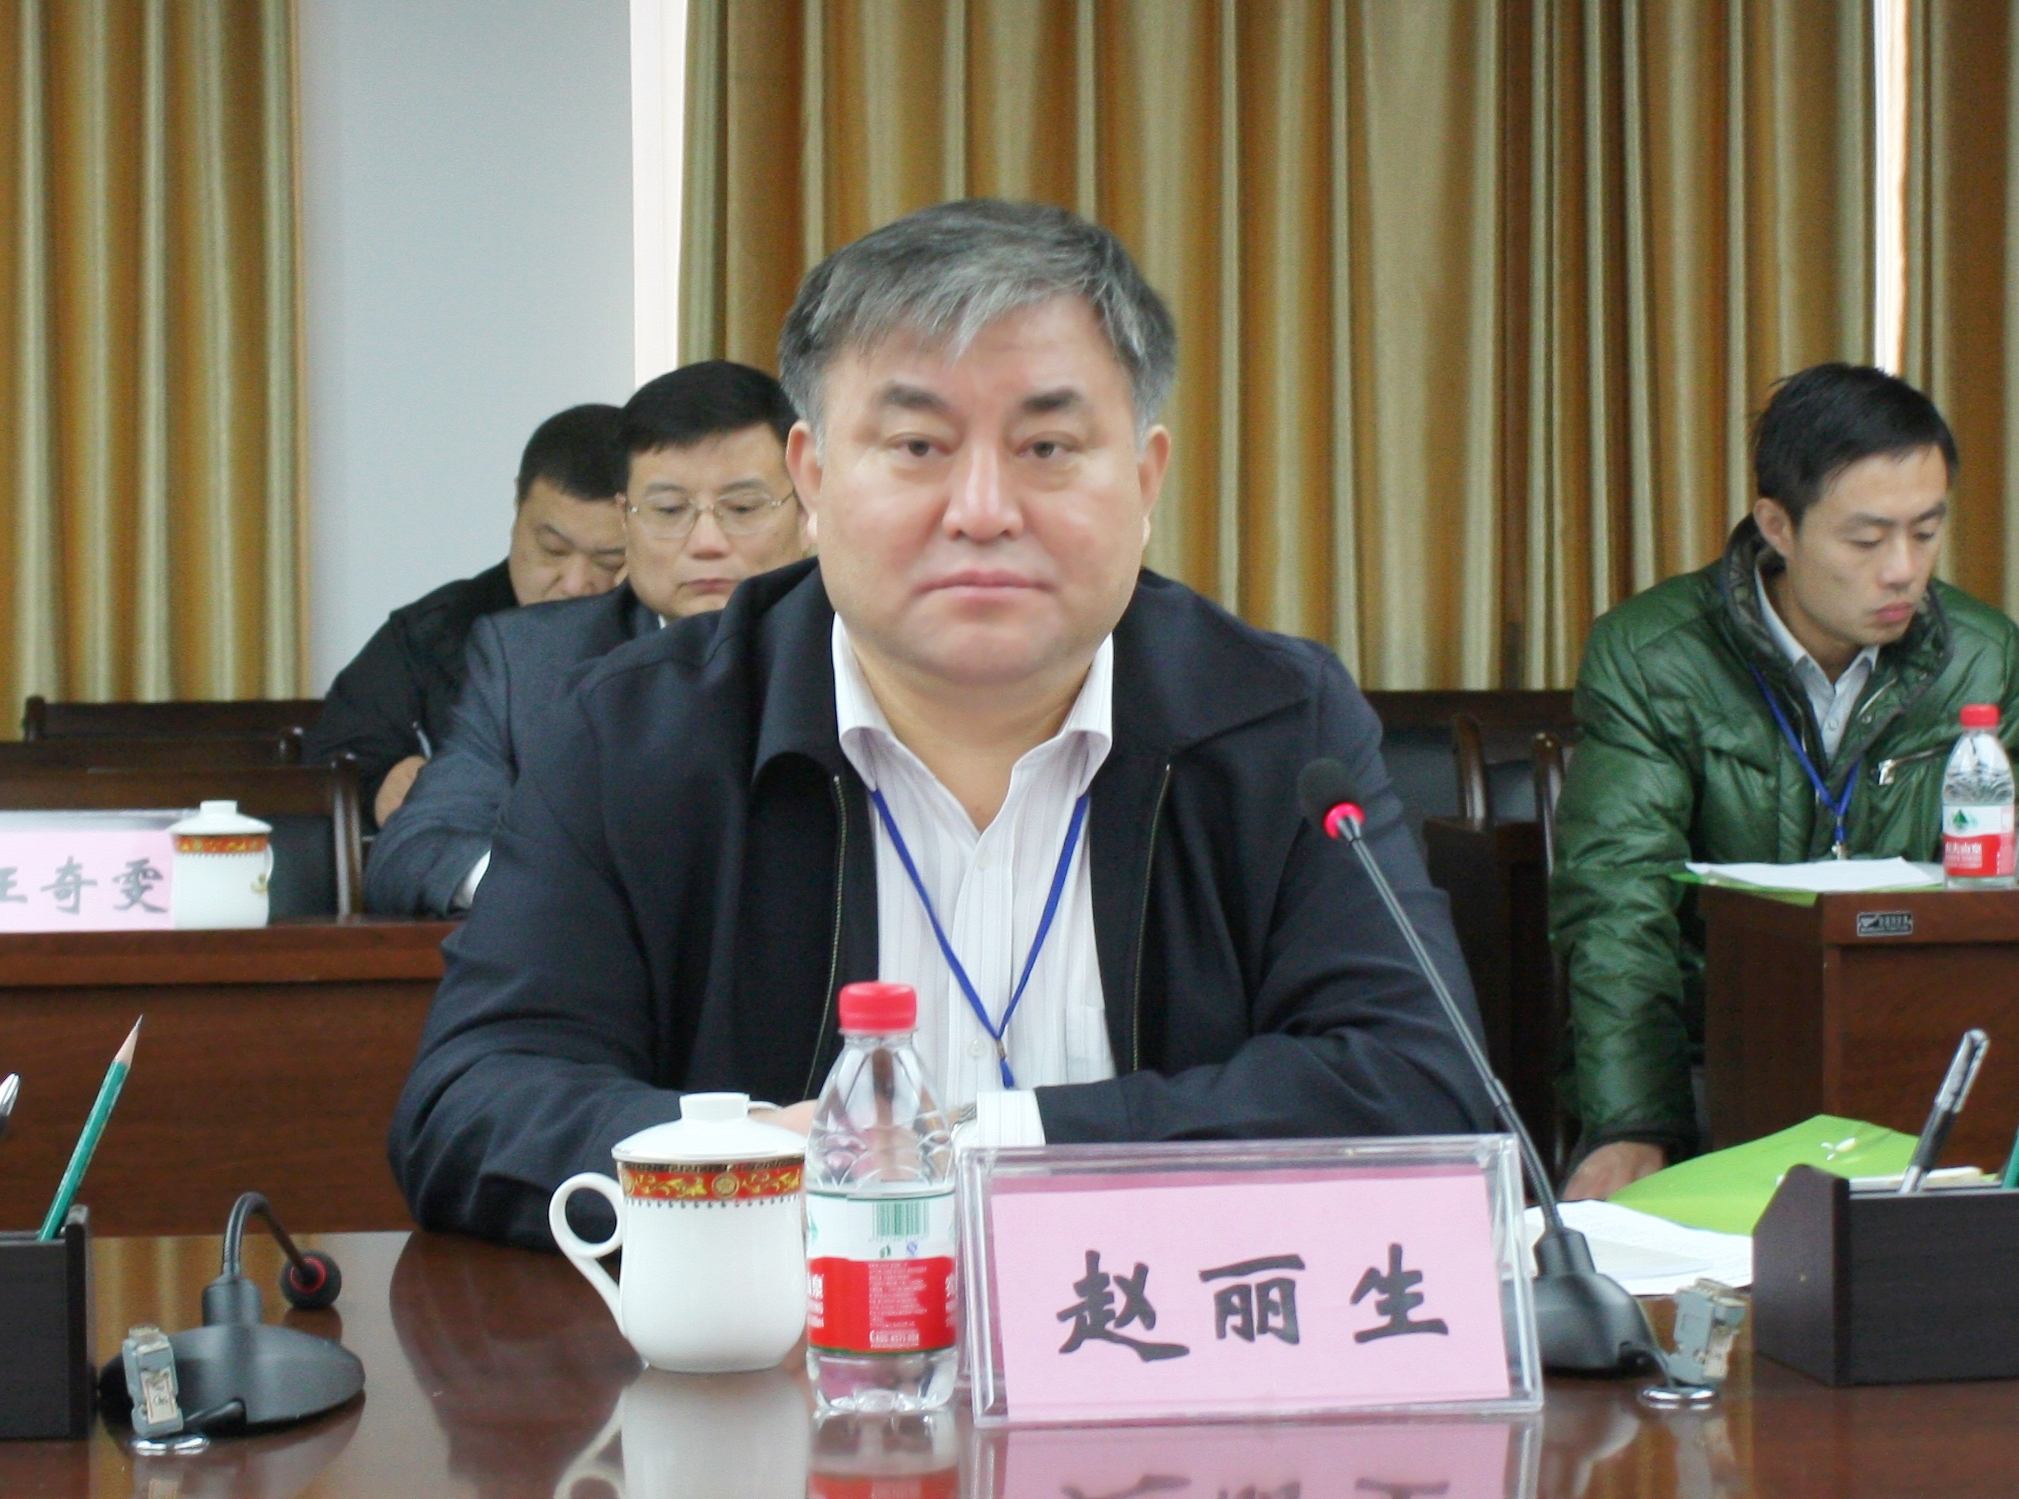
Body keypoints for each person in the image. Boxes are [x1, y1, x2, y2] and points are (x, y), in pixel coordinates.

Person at [390, 198, 1493, 1250]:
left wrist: (987, 1147)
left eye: (1047, 448)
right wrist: (754, 1163)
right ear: (814, 480)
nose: (982, 510)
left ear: (1146, 479)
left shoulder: (1274, 722)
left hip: (1154, 1360)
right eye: (917, 446)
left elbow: (1422, 1083)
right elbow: (472, 1101)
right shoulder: (635, 733)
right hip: (774, 1367)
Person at [1552, 363, 2019, 1201]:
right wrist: (1634, 1122)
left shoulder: (1981, 658)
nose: (1902, 570)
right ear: (1777, 525)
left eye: (1925, 531)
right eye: (1865, 540)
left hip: (1922, 1061)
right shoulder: (1654, 655)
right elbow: (1617, 900)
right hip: (1716, 1056)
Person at [364, 362, 809, 916]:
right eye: (669, 510)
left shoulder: (868, 648)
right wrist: (562, 894)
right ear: (626, 520)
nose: (706, 542)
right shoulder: (531, 662)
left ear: (807, 504)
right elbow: (415, 850)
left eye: (742, 508)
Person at [304, 405, 629, 828]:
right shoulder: (435, 631)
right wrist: (381, 785)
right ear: (517, 505)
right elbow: (336, 754)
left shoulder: (674, 638)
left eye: (610, 560)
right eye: (553, 549)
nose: (575, 583)